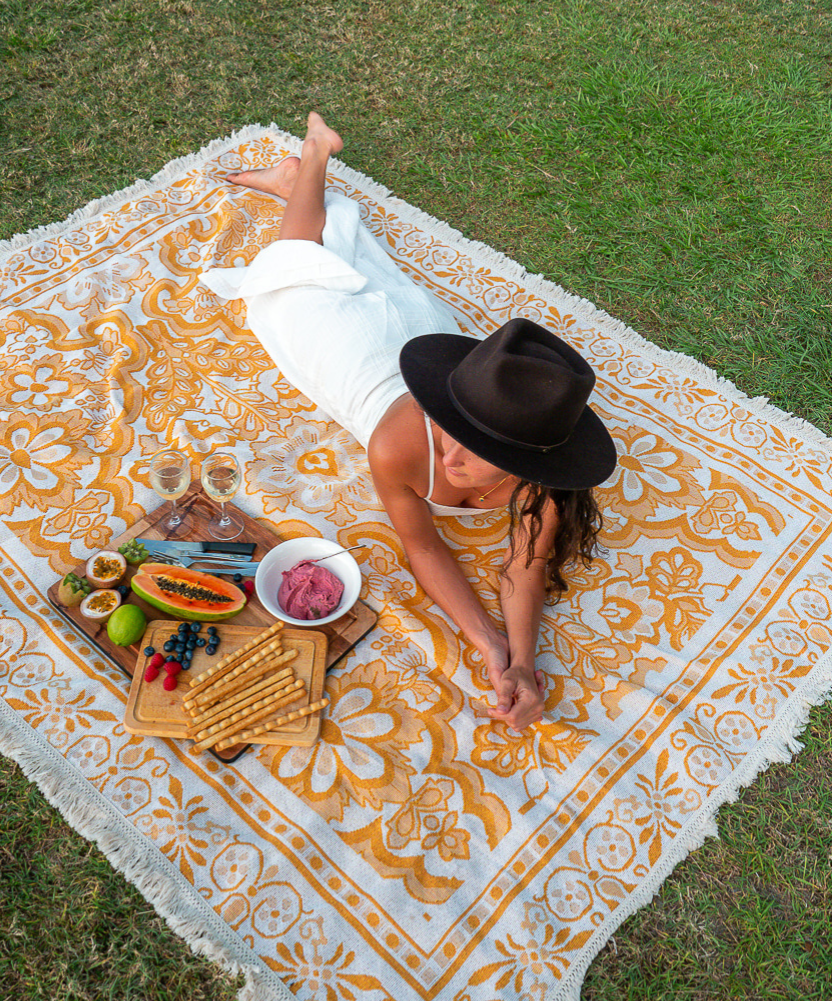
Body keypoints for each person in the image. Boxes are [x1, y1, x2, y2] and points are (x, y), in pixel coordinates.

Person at [201, 113, 616, 733]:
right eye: (452, 433)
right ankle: (311, 159)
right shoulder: (398, 448)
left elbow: (526, 565)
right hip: (348, 355)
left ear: (526, 464)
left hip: (429, 361)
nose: (449, 459)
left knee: (349, 276)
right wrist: (487, 641)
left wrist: (512, 659)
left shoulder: (542, 477)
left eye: (474, 456)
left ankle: (300, 180)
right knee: (292, 280)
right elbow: (421, 543)